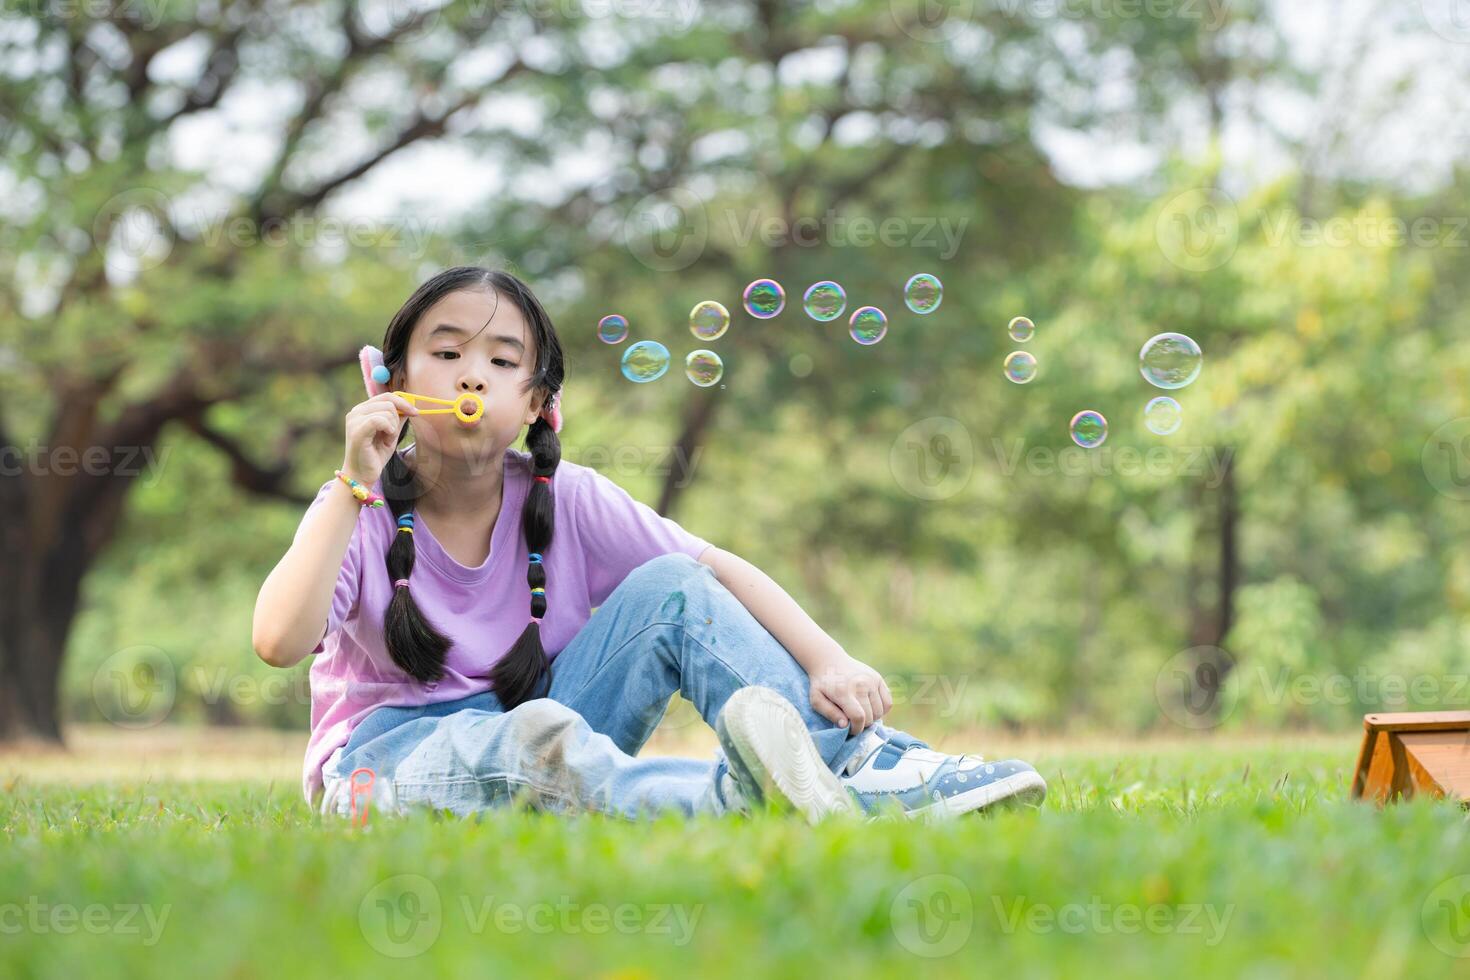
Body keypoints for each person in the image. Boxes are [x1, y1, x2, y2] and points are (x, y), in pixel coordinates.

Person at [251, 266, 1047, 822]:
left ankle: (860, 763)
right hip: (384, 765)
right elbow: (279, 641)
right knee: (533, 739)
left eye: (501, 362)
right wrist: (353, 483)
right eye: (447, 352)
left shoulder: (565, 498)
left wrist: (829, 659)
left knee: (670, 584)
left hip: (547, 721)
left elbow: (713, 572)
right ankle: (734, 805)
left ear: (537, 404)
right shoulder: (353, 510)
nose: (471, 377)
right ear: (388, 380)